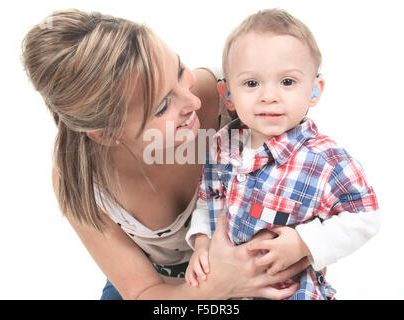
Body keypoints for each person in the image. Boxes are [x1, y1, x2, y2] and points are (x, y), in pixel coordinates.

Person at [21, 8, 318, 300]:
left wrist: (305, 242)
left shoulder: (237, 96)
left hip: (254, 273)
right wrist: (216, 288)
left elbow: (310, 183)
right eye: (163, 106)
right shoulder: (80, 179)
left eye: (179, 71)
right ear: (108, 134)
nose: (192, 101)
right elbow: (141, 292)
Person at [185, 9, 380, 300]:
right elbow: (209, 197)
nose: (269, 96)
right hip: (228, 289)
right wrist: (201, 243)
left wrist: (305, 241)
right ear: (228, 96)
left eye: (287, 82)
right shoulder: (223, 144)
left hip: (291, 291)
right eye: (252, 83)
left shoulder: (325, 159)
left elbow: (365, 217)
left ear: (315, 90)